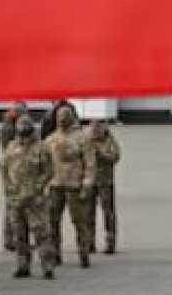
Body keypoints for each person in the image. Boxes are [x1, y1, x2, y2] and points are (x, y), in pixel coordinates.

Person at [3, 115, 56, 280]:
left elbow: (49, 170)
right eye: (20, 128)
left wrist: (38, 186)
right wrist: (8, 187)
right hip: (16, 198)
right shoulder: (11, 146)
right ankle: (23, 266)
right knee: (19, 234)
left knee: (42, 234)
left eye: (26, 127)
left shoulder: (42, 147)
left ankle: (47, 266)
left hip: (35, 199)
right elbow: (4, 170)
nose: (23, 131)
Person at [44, 106, 97, 268]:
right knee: (52, 222)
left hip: (75, 185)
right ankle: (55, 254)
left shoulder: (82, 138)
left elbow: (90, 162)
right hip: (55, 185)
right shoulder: (50, 139)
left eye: (65, 117)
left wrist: (87, 183)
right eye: (60, 117)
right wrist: (43, 185)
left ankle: (83, 253)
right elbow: (44, 164)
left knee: (80, 222)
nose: (62, 120)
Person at [87, 119, 122, 255]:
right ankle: (89, 242)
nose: (95, 131)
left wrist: (101, 155)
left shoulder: (109, 141)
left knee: (108, 212)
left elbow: (115, 156)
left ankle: (110, 241)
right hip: (90, 181)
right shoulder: (86, 141)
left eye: (98, 129)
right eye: (93, 129)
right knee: (88, 213)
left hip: (105, 182)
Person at [0, 102, 28, 252]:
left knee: (11, 206)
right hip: (15, 170)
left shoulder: (7, 126)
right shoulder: (10, 129)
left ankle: (10, 239)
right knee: (14, 207)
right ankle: (12, 239)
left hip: (12, 169)